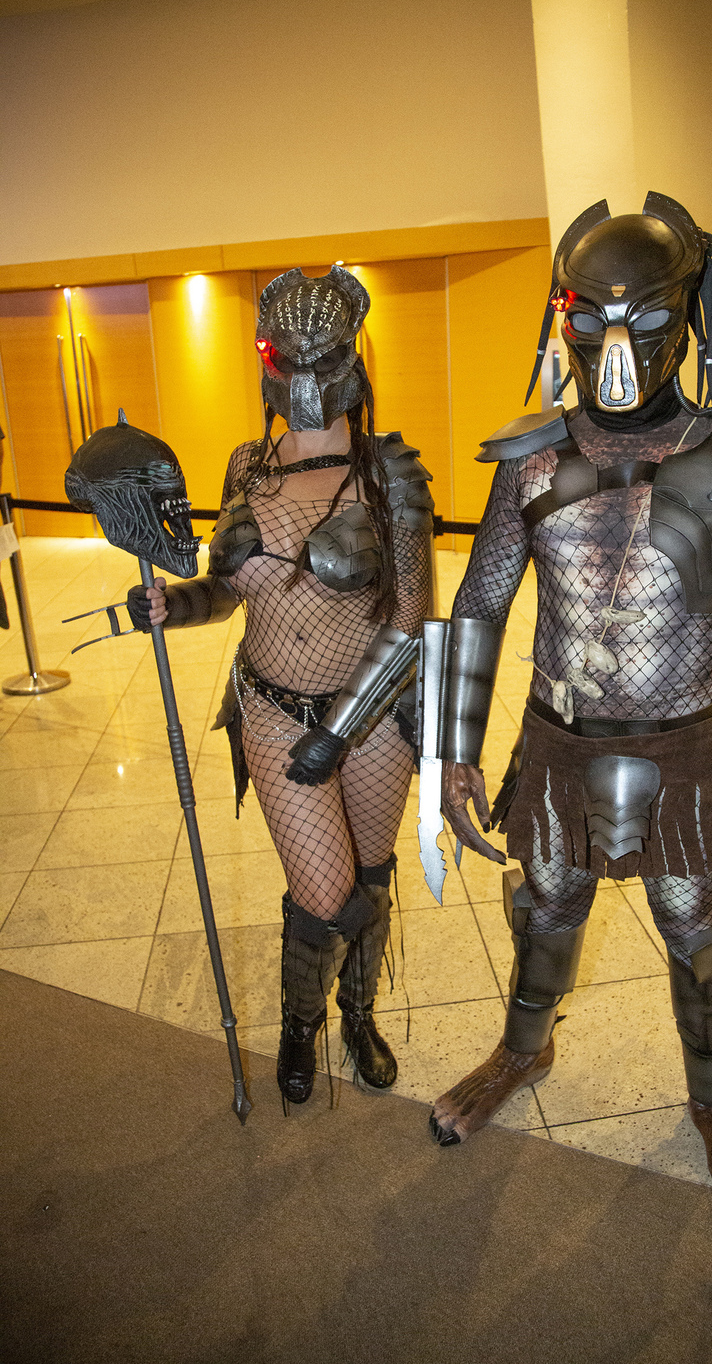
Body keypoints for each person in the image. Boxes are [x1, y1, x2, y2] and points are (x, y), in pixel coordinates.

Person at [428, 194, 712, 1224]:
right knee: (545, 905)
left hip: (683, 749)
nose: (615, 349)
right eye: (590, 318)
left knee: (694, 930)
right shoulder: (532, 457)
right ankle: (522, 1050)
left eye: (646, 320)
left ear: (686, 315)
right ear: (563, 317)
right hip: (556, 739)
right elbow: (481, 602)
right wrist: (452, 748)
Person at [128, 265, 433, 1109]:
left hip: (370, 719)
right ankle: (302, 1020)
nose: (302, 376)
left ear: (348, 358)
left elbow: (411, 618)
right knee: (326, 891)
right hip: (270, 706)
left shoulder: (387, 473)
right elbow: (228, 589)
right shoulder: (246, 465)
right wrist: (175, 605)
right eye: (285, 356)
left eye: (319, 357)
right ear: (266, 359)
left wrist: (337, 733)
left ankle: (357, 1014)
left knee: (371, 874)